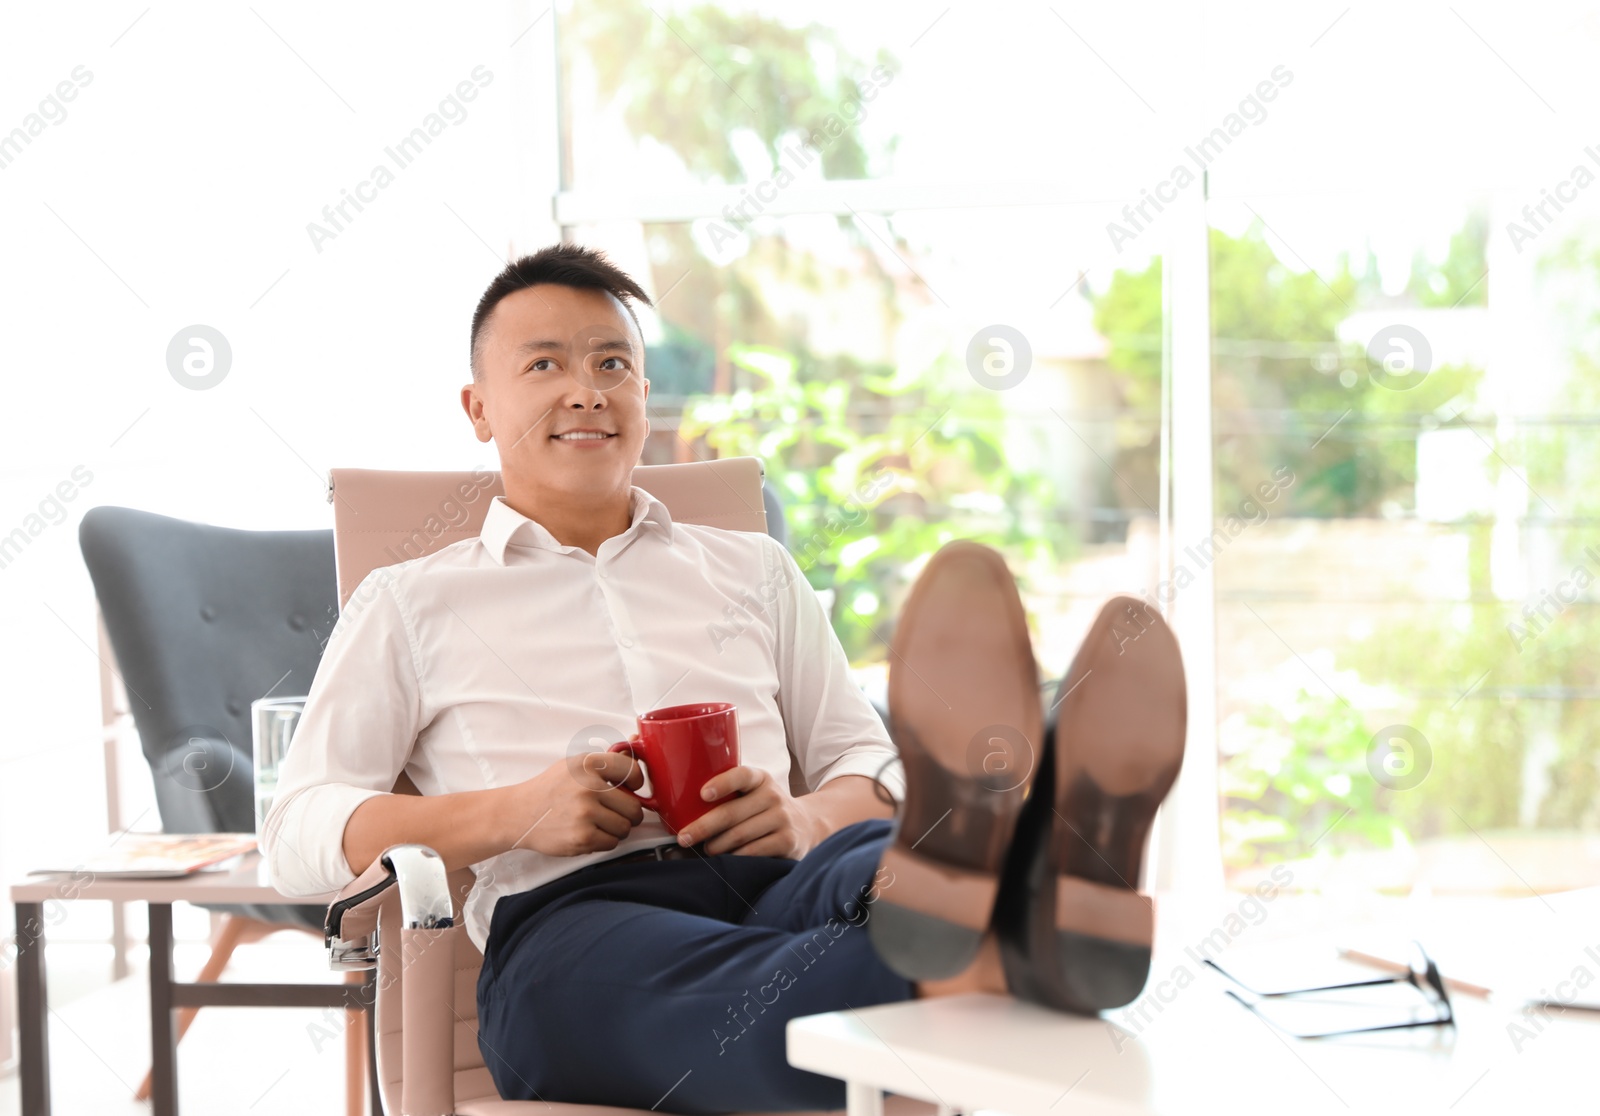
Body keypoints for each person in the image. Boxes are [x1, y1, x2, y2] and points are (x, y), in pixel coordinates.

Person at [262, 244, 1187, 1114]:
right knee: (772, 978)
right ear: (478, 408)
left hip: (780, 877)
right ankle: (1032, 924)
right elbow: (297, 832)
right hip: (573, 926)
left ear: (644, 393)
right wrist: (518, 813)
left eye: (613, 364)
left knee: (879, 868)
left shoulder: (752, 569)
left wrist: (805, 817)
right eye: (544, 365)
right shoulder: (412, 601)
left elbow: (870, 764)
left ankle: (996, 900)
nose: (587, 390)